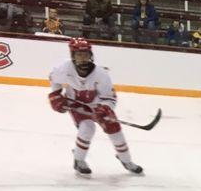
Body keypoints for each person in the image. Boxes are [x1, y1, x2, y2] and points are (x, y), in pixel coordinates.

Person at [48, 38, 142, 177]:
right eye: (79, 55)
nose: (83, 58)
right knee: (87, 128)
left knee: (115, 132)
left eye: (85, 54)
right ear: (72, 55)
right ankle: (79, 160)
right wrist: (55, 95)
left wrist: (104, 109)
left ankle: (126, 161)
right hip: (76, 103)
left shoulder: (101, 74)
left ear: (90, 55)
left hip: (97, 103)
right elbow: (54, 80)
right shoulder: (63, 69)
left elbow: (110, 98)